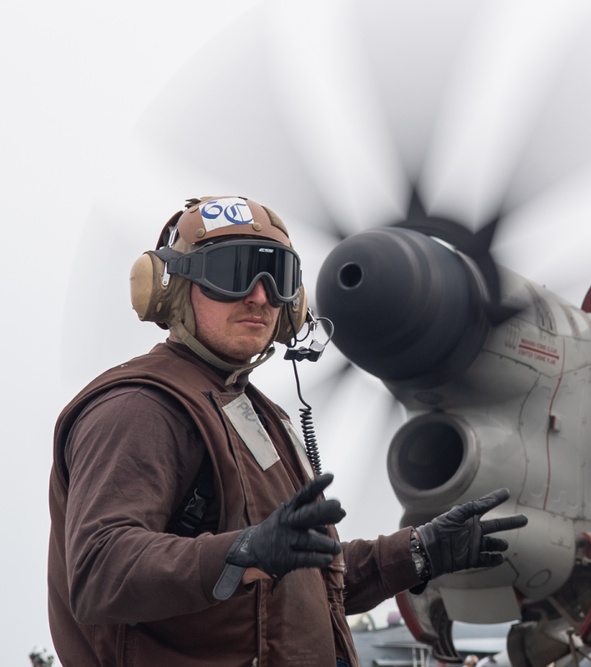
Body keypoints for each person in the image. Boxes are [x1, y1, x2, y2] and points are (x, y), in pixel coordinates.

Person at [47, 196, 528, 667]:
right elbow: (100, 571)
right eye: (233, 274)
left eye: (277, 277)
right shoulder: (141, 407)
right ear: (171, 288)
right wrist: (241, 553)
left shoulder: (256, 412)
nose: (259, 296)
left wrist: (418, 552)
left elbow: (305, 579)